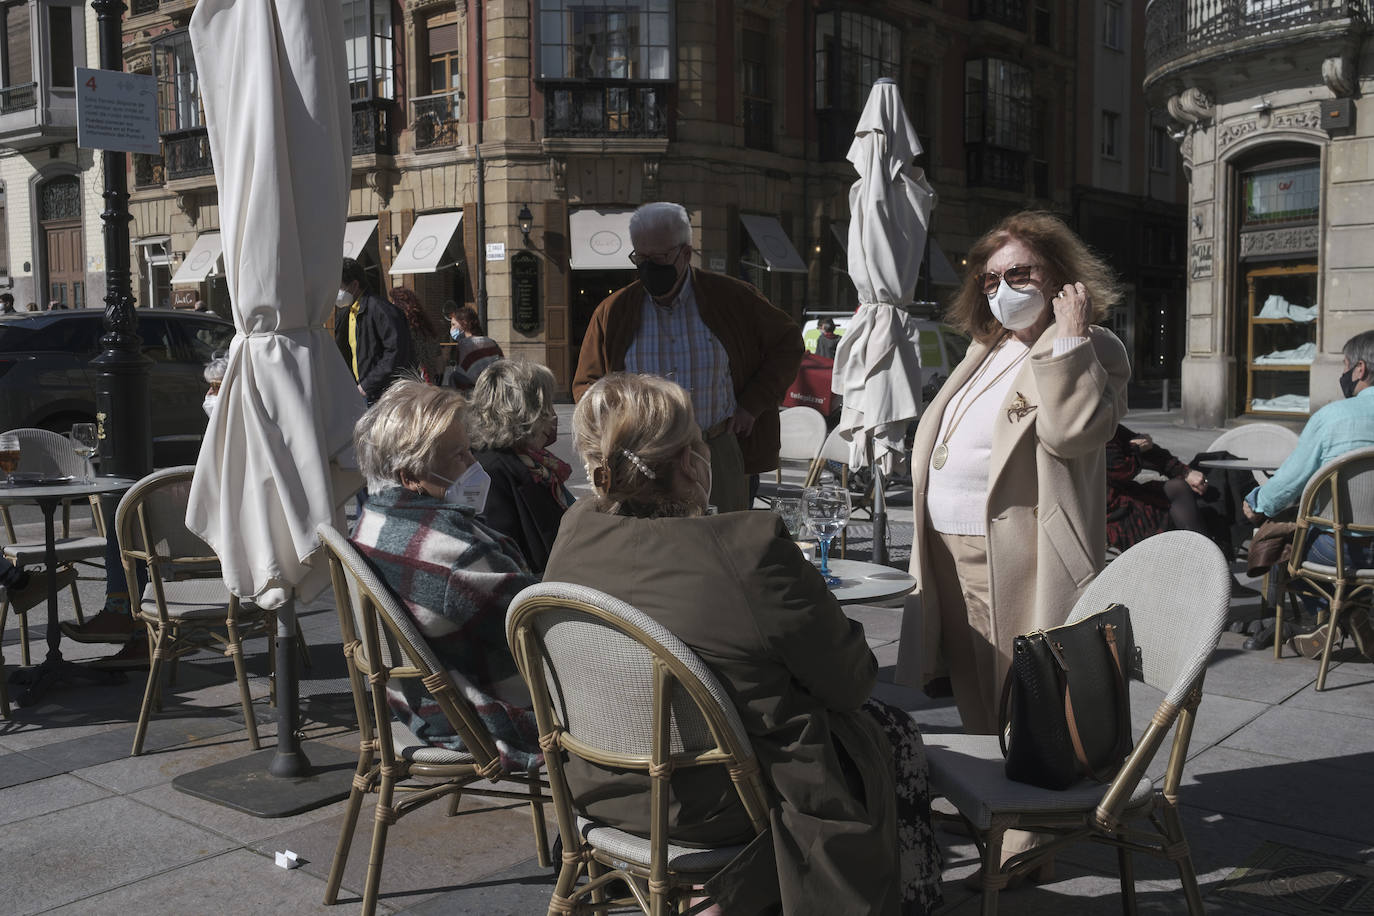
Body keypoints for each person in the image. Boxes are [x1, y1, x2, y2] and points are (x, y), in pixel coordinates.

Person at [544, 373, 943, 916]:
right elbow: (850, 683)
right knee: (892, 734)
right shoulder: (745, 548)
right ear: (690, 462)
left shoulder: (575, 531)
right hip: (719, 800)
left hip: (594, 783)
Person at [898, 210, 1131, 732]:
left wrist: (1070, 336)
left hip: (1011, 545)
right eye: (991, 278)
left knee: (1018, 688)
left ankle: (1025, 801)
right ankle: (989, 792)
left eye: (1020, 274)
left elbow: (1071, 433)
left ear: (1057, 275)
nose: (1003, 288)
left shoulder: (1090, 346)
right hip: (944, 541)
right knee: (968, 679)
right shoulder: (988, 347)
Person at [349, 378, 541, 772]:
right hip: (475, 718)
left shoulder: (371, 519)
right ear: (410, 476)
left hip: (413, 704)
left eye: (470, 450)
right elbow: (539, 630)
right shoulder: (456, 554)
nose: (474, 465)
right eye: (459, 456)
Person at [573, 201, 804, 513]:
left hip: (716, 448)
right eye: (640, 258)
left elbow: (788, 342)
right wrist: (609, 436)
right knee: (649, 548)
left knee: (722, 546)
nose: (648, 267)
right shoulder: (614, 312)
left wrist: (753, 404)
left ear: (685, 253)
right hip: (642, 461)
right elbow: (588, 386)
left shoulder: (733, 298)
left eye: (659, 258)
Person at [1243, 330, 1374, 659]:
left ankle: (1321, 615)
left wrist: (1257, 502)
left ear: (1360, 369)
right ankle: (1353, 610)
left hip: (1340, 551)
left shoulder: (1332, 418)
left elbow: (1289, 484)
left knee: (1282, 538)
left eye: (1344, 366)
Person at [468, 360, 573, 573]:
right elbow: (505, 559)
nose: (553, 416)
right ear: (526, 412)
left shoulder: (532, 460)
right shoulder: (489, 472)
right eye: (546, 407)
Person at [1106, 424, 1213, 552]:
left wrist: (1185, 472)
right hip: (1102, 511)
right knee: (1174, 505)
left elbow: (1150, 451)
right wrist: (1136, 448)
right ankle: (1203, 560)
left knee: (1178, 488)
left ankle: (1205, 558)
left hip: (1120, 494)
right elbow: (1120, 469)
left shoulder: (1108, 423)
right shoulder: (1090, 428)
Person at [335, 258, 415, 404]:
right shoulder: (346, 313)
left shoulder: (381, 310)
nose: (336, 293)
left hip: (381, 395)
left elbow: (397, 351)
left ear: (354, 285)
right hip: (360, 392)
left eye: (339, 287)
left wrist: (368, 384)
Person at [442, 305, 503, 389]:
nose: (451, 329)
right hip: (496, 387)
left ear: (464, 323)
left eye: (453, 325)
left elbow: (463, 374)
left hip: (476, 392)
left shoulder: (464, 345)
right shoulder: (492, 342)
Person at [390, 287, 443, 383]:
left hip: (415, 380)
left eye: (394, 301)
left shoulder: (404, 328)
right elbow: (438, 356)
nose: (392, 305)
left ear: (404, 305)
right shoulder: (426, 326)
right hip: (429, 380)